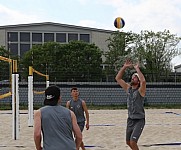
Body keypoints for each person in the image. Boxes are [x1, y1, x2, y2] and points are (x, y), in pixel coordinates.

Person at [34, 85, 82, 150]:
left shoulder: (39, 113)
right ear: (59, 97)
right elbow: (79, 136)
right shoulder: (70, 113)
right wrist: (76, 147)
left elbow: (37, 135)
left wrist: (38, 148)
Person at [115, 59, 146, 150]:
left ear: (138, 81)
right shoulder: (128, 88)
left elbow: (143, 81)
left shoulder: (141, 91)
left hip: (139, 120)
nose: (133, 78)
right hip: (130, 120)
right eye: (132, 77)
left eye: (135, 77)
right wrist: (124, 67)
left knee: (133, 142)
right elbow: (118, 78)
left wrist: (137, 69)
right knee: (128, 142)